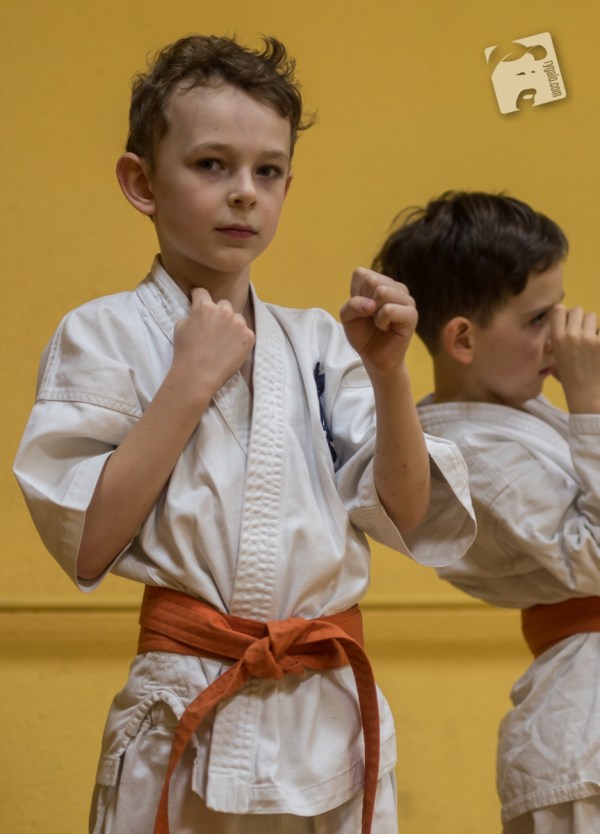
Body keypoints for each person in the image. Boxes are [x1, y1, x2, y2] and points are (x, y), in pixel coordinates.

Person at [13, 36, 475, 834]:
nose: (243, 194)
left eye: (267, 171)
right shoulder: (102, 334)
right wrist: (188, 381)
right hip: (183, 706)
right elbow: (87, 542)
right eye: (211, 165)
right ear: (141, 182)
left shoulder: (319, 342)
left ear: (288, 185)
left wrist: (391, 373)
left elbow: (407, 510)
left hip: (325, 715)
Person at [373, 189, 600, 834]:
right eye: (538, 319)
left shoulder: (522, 413)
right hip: (584, 735)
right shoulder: (464, 452)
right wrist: (590, 403)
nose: (561, 334)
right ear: (463, 339)